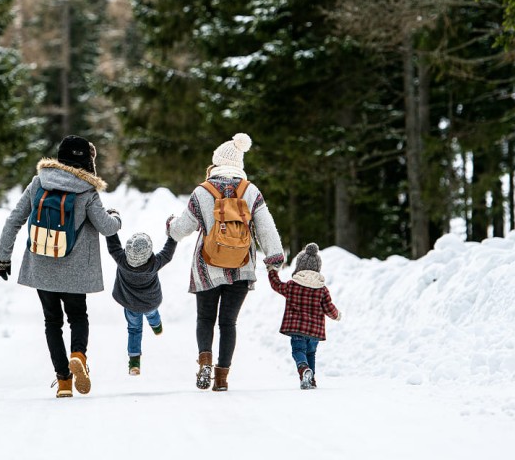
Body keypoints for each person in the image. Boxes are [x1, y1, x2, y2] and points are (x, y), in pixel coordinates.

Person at [0, 135, 121, 398]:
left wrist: (3, 257)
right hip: (76, 271)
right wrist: (116, 217)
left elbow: (14, 220)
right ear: (87, 160)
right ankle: (78, 356)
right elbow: (107, 227)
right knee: (78, 317)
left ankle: (63, 381)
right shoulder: (86, 191)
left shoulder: (39, 183)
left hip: (42, 266)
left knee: (52, 322)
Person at [167, 132, 285, 391]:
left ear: (216, 163)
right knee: (228, 323)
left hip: (206, 267)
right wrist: (274, 260)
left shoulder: (202, 191)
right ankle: (221, 378)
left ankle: (204, 362)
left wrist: (170, 227)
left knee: (205, 319)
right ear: (239, 165)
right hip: (242, 267)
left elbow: (182, 229)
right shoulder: (250, 191)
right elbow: (266, 228)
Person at [267, 242, 341, 389]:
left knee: (298, 351)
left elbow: (276, 285)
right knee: (311, 353)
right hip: (315, 331)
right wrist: (337, 315)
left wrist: (272, 271)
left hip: (297, 329)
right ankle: (311, 380)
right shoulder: (322, 290)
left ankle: (303, 369)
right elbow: (328, 308)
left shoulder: (292, 285)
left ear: (299, 266)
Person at [105, 227, 177, 375]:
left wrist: (110, 224)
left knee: (134, 329)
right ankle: (156, 326)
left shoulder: (121, 260)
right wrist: (172, 235)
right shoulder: (154, 263)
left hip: (131, 305)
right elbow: (168, 254)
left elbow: (113, 245)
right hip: (151, 302)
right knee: (152, 314)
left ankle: (134, 363)